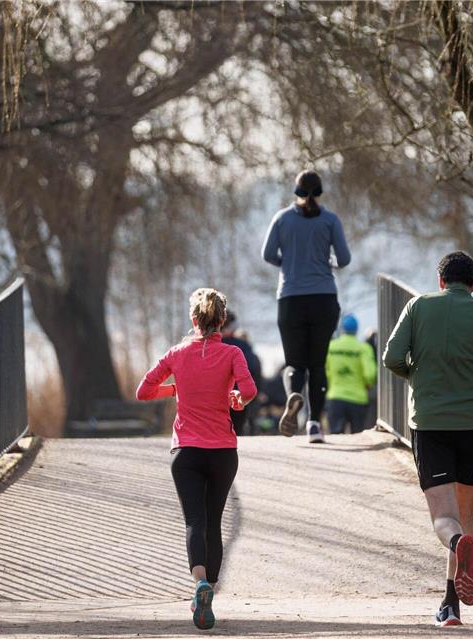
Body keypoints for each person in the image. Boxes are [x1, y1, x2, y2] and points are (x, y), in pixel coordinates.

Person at [382, 251, 473, 627]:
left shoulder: (417, 307)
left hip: (430, 422)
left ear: (440, 280)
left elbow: (391, 357)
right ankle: (450, 605)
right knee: (466, 514)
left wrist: (417, 377)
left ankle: (458, 551)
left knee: (445, 519)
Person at [136, 288, 256, 631]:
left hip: (185, 452)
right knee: (214, 522)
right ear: (221, 321)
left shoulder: (176, 353)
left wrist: (175, 389)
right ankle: (209, 594)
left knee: (194, 522)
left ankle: (199, 583)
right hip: (222, 452)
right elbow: (248, 391)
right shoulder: (232, 353)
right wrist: (235, 398)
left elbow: (142, 391)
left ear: (193, 320)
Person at [262, 169, 351, 443]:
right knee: (318, 365)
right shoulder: (330, 220)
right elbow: (344, 259)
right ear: (320, 192)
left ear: (296, 192)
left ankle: (293, 396)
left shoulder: (281, 219)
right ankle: (314, 425)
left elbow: (267, 254)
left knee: (295, 364)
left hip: (290, 299)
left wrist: (288, 264)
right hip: (323, 298)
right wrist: (327, 264)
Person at [325, 313, 377, 435]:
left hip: (335, 397)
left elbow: (324, 371)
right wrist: (367, 384)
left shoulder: (330, 347)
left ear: (341, 329)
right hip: (358, 399)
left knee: (335, 436)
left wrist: (332, 382)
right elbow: (370, 374)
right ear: (356, 330)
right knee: (357, 436)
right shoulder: (364, 348)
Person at [221, 311, 262, 436]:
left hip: (213, 397)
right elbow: (253, 368)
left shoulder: (207, 345)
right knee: (236, 432)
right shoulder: (242, 346)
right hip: (237, 397)